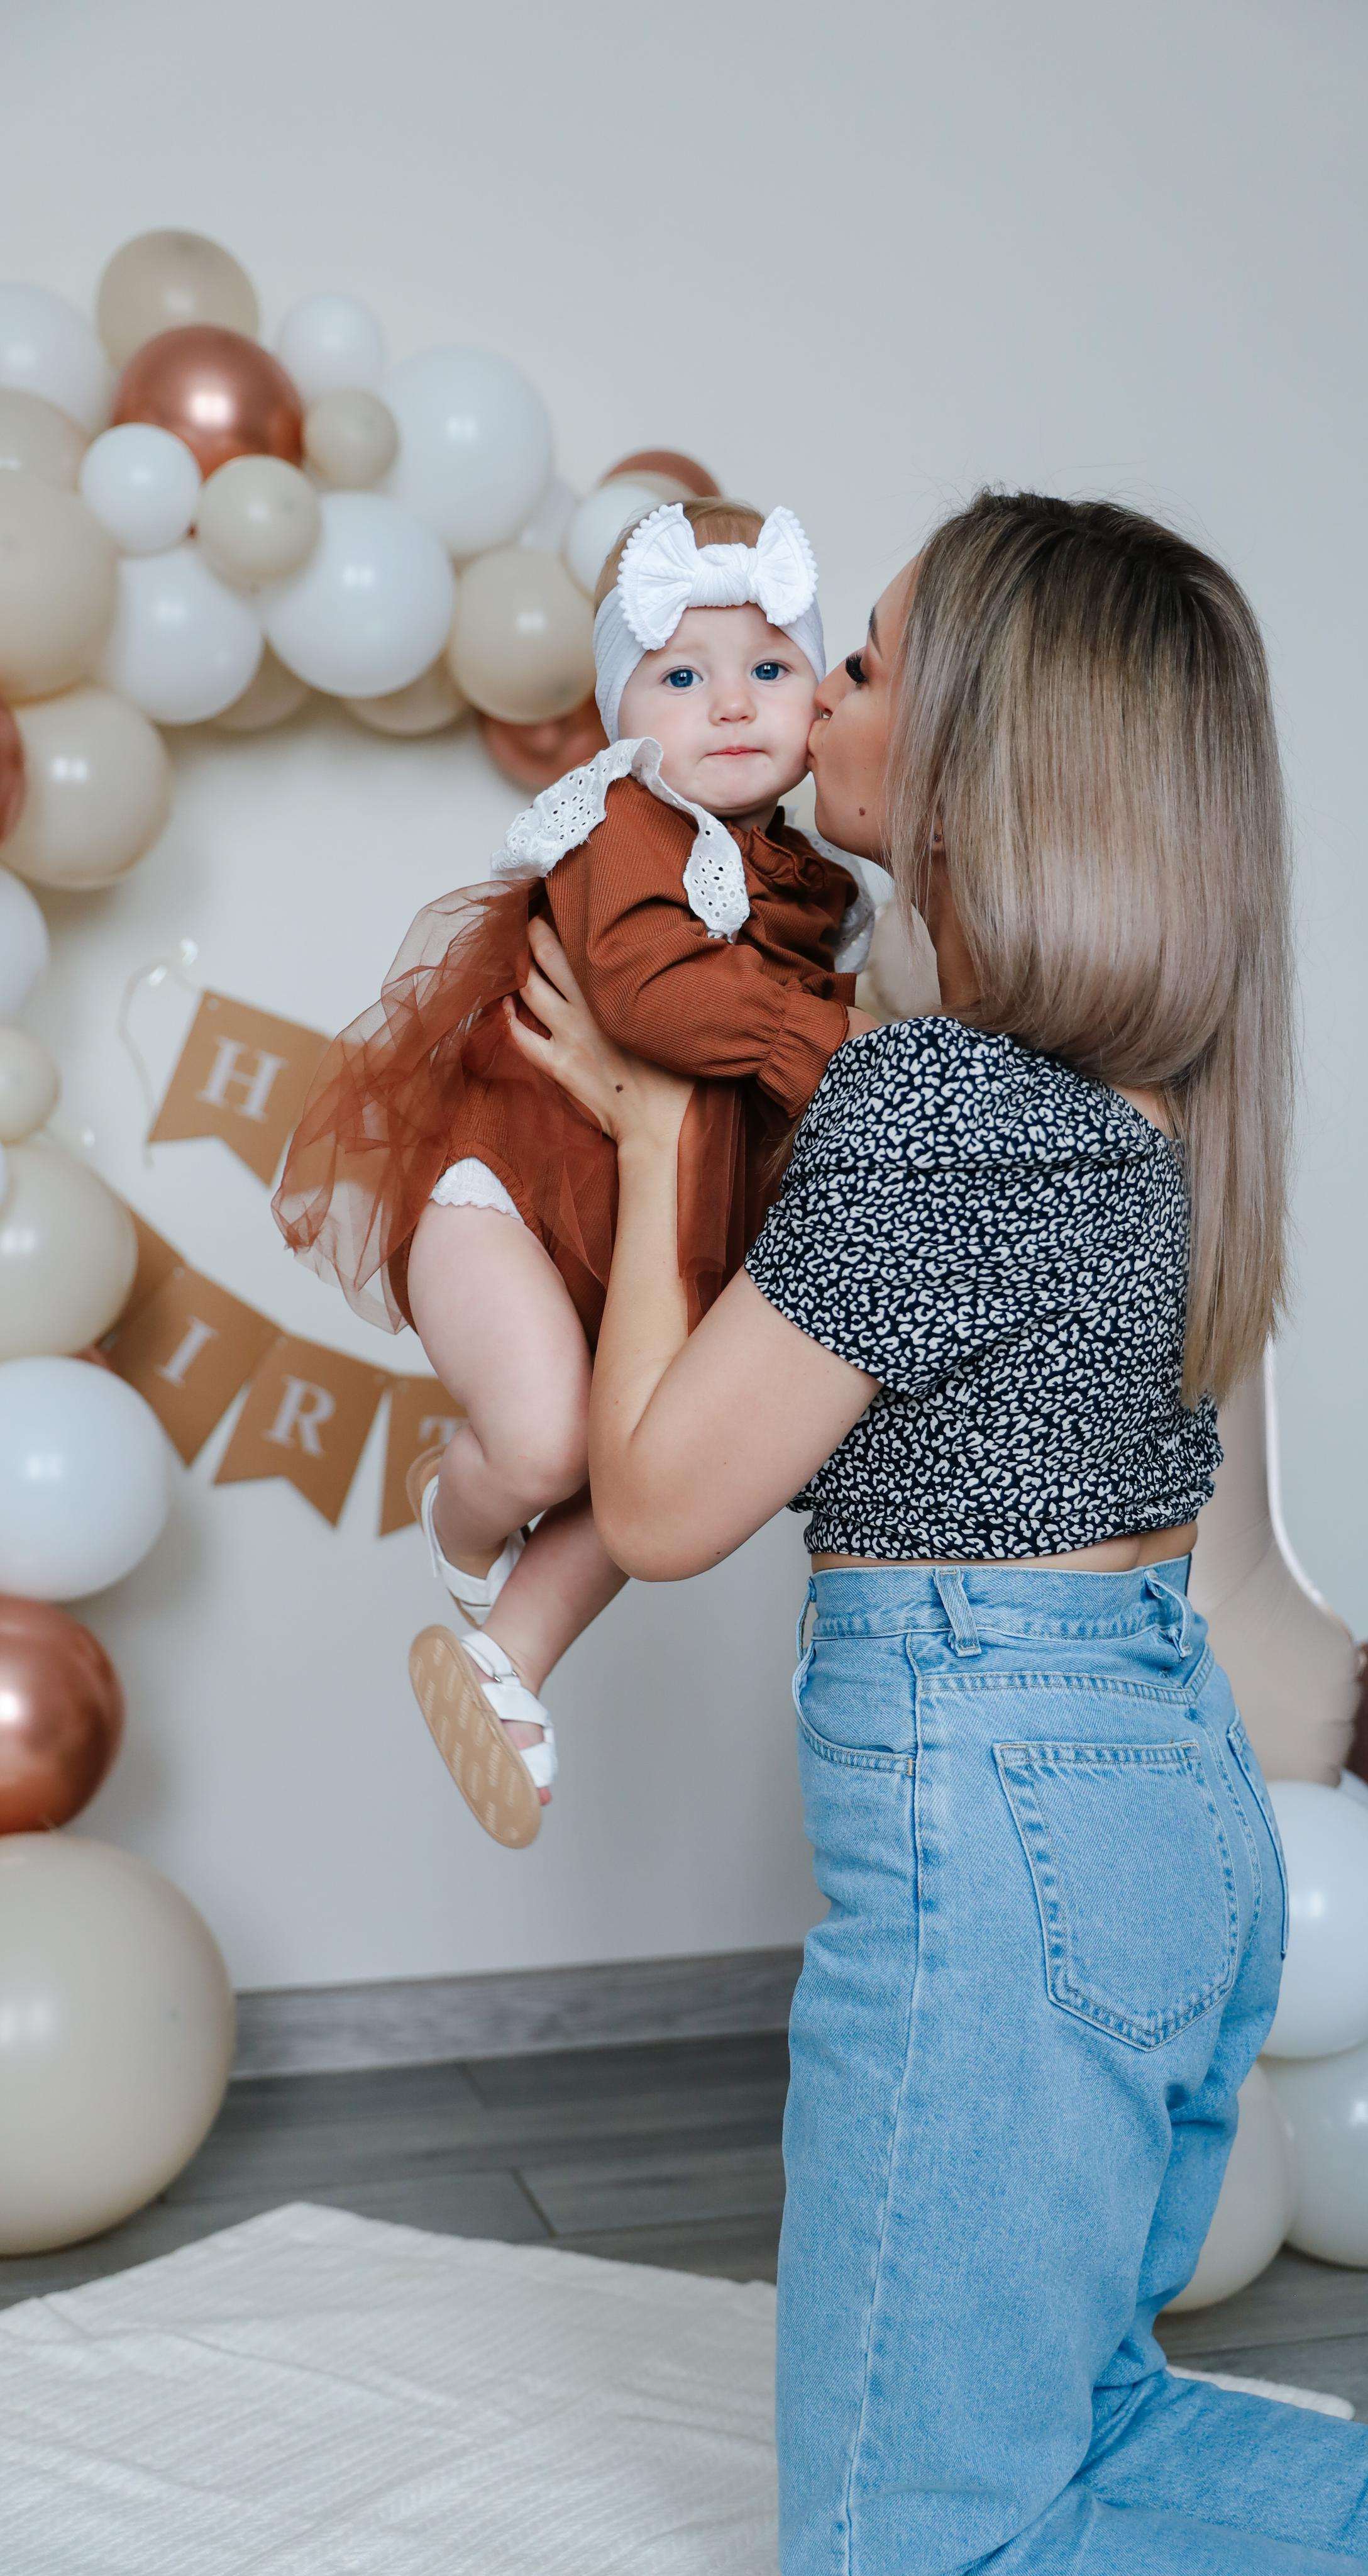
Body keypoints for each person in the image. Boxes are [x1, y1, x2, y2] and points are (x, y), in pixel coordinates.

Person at [505, 492, 1368, 2572]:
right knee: (1088, 2421)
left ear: (967, 773)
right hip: (1163, 1789)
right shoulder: (1167, 1103)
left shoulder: (934, 1112)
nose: (809, 689)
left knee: (913, 2537)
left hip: (995, 1818)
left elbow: (659, 1500)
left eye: (859, 666)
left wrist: (661, 1124)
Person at [273, 498, 876, 1848]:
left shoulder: (818, 885)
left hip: (659, 1218)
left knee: (642, 1447)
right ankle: (463, 1493)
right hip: (513, 1179)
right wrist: (838, 1050)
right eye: (680, 676)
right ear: (619, 709)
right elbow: (655, 998)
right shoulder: (619, 822)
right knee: (546, 1439)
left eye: (769, 669)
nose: (730, 704)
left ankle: (513, 1661)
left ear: (814, 703)